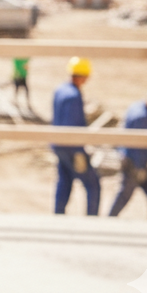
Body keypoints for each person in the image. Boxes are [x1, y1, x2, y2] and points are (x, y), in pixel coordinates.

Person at [109, 86, 147, 217]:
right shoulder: (141, 117)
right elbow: (137, 145)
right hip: (133, 162)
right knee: (125, 193)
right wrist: (139, 167)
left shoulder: (137, 107)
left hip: (135, 160)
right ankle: (109, 218)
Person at [51, 57, 100, 215]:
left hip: (58, 146)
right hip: (72, 148)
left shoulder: (60, 90)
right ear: (83, 76)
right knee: (93, 185)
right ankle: (92, 220)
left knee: (64, 181)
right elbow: (71, 126)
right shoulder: (73, 96)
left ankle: (58, 216)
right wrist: (80, 151)